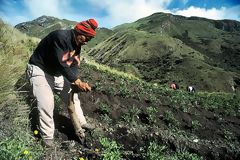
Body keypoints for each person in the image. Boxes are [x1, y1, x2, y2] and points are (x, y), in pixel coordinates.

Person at [26, 19, 98, 147]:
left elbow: (74, 64)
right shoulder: (60, 37)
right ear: (78, 31)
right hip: (40, 70)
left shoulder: (77, 45)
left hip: (56, 73)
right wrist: (76, 80)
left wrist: (75, 81)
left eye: (90, 39)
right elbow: (62, 63)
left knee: (73, 98)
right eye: (86, 37)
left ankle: (81, 123)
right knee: (47, 103)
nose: (87, 41)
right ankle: (47, 139)